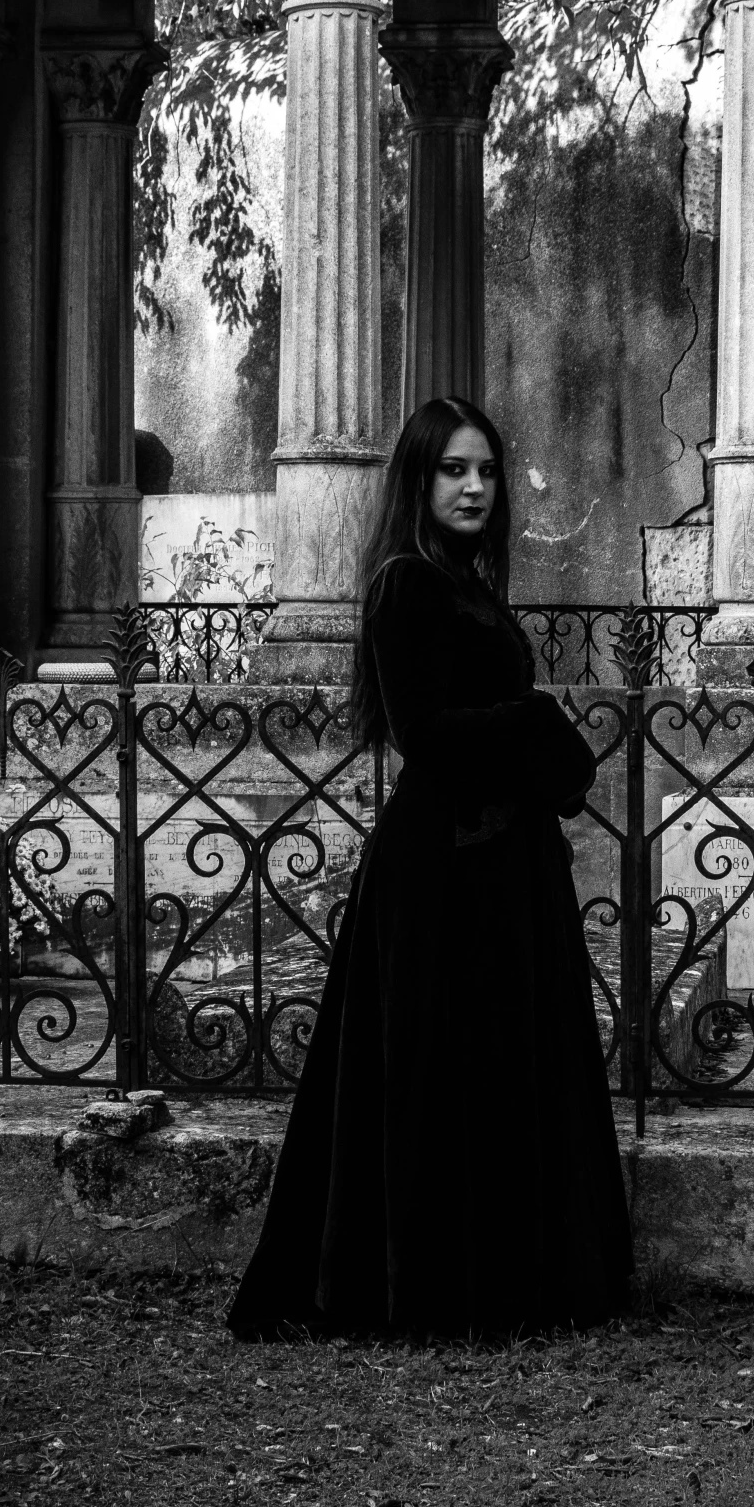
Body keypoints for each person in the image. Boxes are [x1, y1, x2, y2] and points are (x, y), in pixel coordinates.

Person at [227, 397, 633, 1338]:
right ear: (418, 478)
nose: (475, 487)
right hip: (444, 865)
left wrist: (531, 751)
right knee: (444, 1070)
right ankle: (440, 1287)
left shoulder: (462, 581)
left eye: (486, 471)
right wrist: (537, 726)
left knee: (496, 1064)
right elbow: (425, 733)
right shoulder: (406, 583)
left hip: (498, 859)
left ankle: (508, 1278)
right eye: (454, 470)